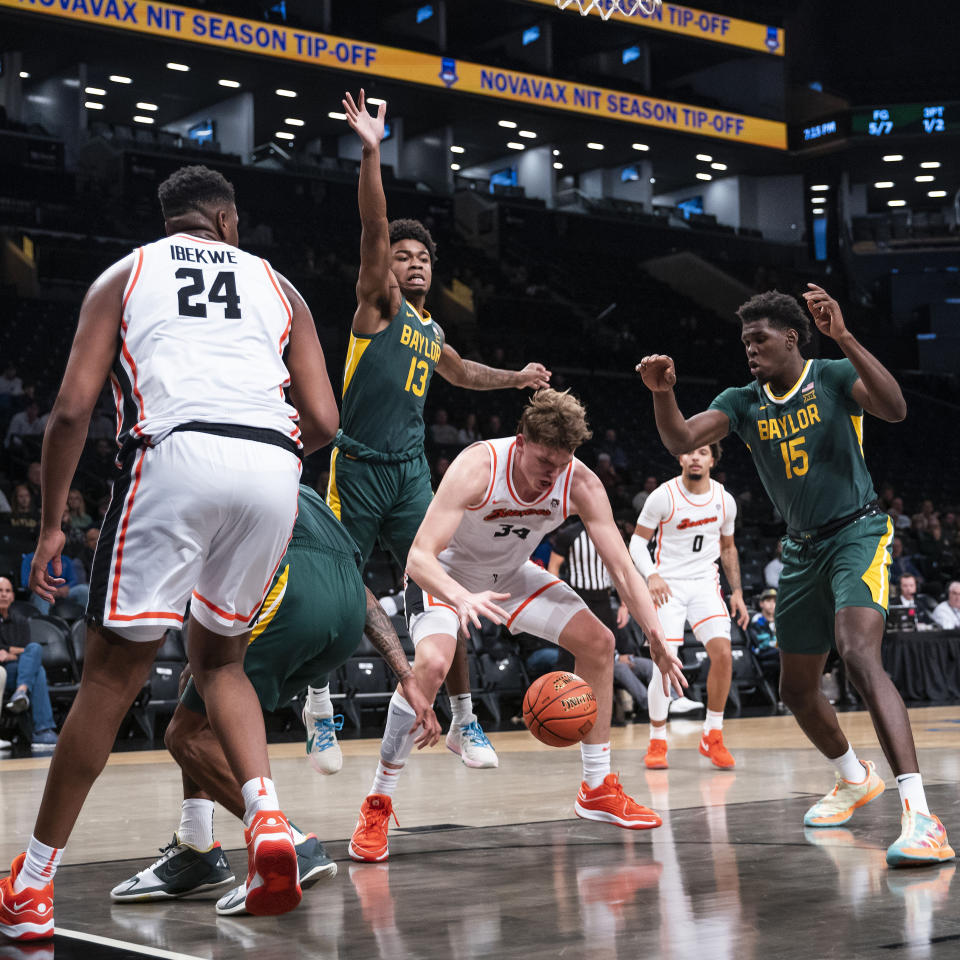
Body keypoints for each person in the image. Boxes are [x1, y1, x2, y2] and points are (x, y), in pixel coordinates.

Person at [0, 164, 341, 941]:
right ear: (227, 221)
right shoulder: (279, 285)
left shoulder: (126, 273)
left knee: (111, 676)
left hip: (174, 455)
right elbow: (323, 415)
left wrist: (53, 524)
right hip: (272, 466)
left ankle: (33, 885)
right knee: (220, 661)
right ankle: (267, 826)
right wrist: (268, 454)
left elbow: (69, 412)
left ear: (171, 221)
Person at [637, 283, 953, 867]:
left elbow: (895, 407)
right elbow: (681, 438)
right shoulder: (741, 400)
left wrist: (845, 335)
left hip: (858, 533)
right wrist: (663, 395)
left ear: (791, 338)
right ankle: (855, 779)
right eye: (744, 341)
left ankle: (922, 816)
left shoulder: (832, 376)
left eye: (759, 340)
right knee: (796, 690)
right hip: (802, 551)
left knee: (858, 655)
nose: (750, 350)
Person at [348, 389, 686, 864]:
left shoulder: (579, 481)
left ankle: (597, 789)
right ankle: (377, 804)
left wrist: (655, 637)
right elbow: (419, 557)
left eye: (562, 461)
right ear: (522, 441)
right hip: (446, 577)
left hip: (509, 578)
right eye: (545, 460)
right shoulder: (478, 467)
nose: (553, 473)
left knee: (600, 642)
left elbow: (624, 569)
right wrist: (461, 597)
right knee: (433, 664)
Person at [321, 90, 550, 771]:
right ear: (385, 270)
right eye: (403, 255)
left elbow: (461, 373)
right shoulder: (378, 305)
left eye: (422, 255)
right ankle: (319, 710)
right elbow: (372, 229)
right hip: (357, 466)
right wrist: (372, 154)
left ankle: (463, 719)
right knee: (336, 586)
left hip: (411, 470)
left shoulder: (431, 329)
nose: (413, 261)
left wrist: (514, 380)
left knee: (446, 582)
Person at [110, 485, 440, 914]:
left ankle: (289, 845)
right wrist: (406, 675)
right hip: (344, 614)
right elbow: (357, 591)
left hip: (290, 593)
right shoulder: (304, 491)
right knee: (199, 701)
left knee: (185, 736)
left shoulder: (212, 472)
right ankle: (196, 846)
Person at [628, 443, 748, 769]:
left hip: (705, 584)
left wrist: (736, 591)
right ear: (680, 457)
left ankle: (713, 734)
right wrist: (651, 575)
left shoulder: (725, 500)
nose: (696, 456)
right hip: (667, 585)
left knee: (723, 653)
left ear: (713, 459)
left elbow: (728, 547)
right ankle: (657, 740)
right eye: (690, 451)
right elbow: (637, 542)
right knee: (664, 662)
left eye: (704, 452)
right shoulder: (663, 496)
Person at [0, 577, 59, 749]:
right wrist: (17, 652)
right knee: (38, 670)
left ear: (12, 596)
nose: (4, 595)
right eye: (0, 591)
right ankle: (42, 731)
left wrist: (8, 651)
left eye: (8, 591)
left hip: (18, 670)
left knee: (34, 648)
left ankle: (21, 691)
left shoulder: (20, 621)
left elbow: (26, 650)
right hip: (4, 673)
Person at [748, 587, 781, 684]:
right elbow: (764, 644)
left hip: (777, 652)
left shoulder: (780, 620)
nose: (772, 604)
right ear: (761, 603)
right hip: (762, 653)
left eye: (775, 601)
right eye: (768, 601)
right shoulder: (758, 620)